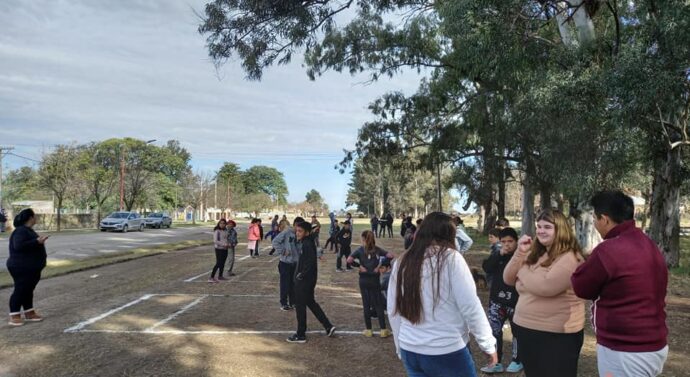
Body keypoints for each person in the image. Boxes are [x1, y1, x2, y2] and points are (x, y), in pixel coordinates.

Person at [571, 191, 668, 377]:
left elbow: (581, 286)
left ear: (605, 219)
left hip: (625, 350)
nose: (594, 223)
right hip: (654, 344)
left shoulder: (608, 250)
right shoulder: (649, 244)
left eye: (595, 218)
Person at [387, 212, 497, 376]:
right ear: (449, 234)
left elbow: (392, 307)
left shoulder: (402, 260)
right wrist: (487, 344)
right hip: (446, 350)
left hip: (410, 348)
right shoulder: (452, 258)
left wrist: (399, 344)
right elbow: (470, 306)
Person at [503, 209, 585, 377]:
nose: (540, 231)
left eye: (547, 227)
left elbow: (545, 287)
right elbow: (508, 278)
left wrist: (523, 270)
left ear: (560, 229)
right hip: (526, 331)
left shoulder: (570, 257)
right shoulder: (536, 252)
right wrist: (520, 253)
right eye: (538, 226)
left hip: (556, 337)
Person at [481, 227, 522, 374]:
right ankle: (496, 361)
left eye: (510, 241)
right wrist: (498, 254)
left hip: (516, 301)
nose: (507, 244)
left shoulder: (522, 256)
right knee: (494, 331)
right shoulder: (497, 254)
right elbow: (487, 267)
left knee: (517, 332)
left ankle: (517, 360)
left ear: (517, 241)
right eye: (503, 241)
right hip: (497, 301)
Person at [287, 221, 336, 343]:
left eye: (300, 231)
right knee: (311, 303)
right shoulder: (306, 242)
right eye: (297, 231)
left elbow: (310, 263)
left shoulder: (307, 244)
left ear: (307, 232)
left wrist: (300, 275)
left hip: (304, 281)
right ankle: (328, 326)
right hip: (308, 280)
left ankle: (300, 335)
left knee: (300, 306)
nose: (297, 233)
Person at [347, 230, 395, 337]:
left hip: (363, 280)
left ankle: (368, 330)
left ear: (363, 239)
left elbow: (349, 260)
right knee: (378, 304)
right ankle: (383, 330)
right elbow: (391, 255)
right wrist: (380, 265)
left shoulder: (360, 250)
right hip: (374, 280)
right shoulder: (377, 250)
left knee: (366, 304)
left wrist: (359, 266)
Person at [7, 208, 49, 326]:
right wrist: (37, 241)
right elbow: (19, 245)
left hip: (31, 267)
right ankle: (14, 314)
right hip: (21, 267)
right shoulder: (20, 231)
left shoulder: (28, 230)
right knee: (20, 290)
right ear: (30, 218)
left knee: (28, 290)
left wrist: (38, 241)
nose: (36, 218)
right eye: (34, 216)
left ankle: (29, 312)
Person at [273, 217, 303, 311]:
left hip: (295, 263)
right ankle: (284, 303)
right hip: (285, 263)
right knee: (285, 284)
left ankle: (293, 302)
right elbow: (275, 241)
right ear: (294, 225)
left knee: (293, 284)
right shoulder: (286, 232)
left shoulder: (300, 234)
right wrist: (282, 251)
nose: (298, 230)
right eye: (297, 227)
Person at [209, 219, 229, 283]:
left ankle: (220, 276)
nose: (222, 224)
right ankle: (211, 277)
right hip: (219, 249)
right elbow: (215, 241)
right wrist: (223, 244)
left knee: (223, 263)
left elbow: (226, 239)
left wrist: (228, 244)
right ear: (218, 224)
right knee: (218, 263)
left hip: (225, 249)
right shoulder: (217, 231)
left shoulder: (226, 230)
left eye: (223, 223)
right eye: (221, 223)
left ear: (225, 224)